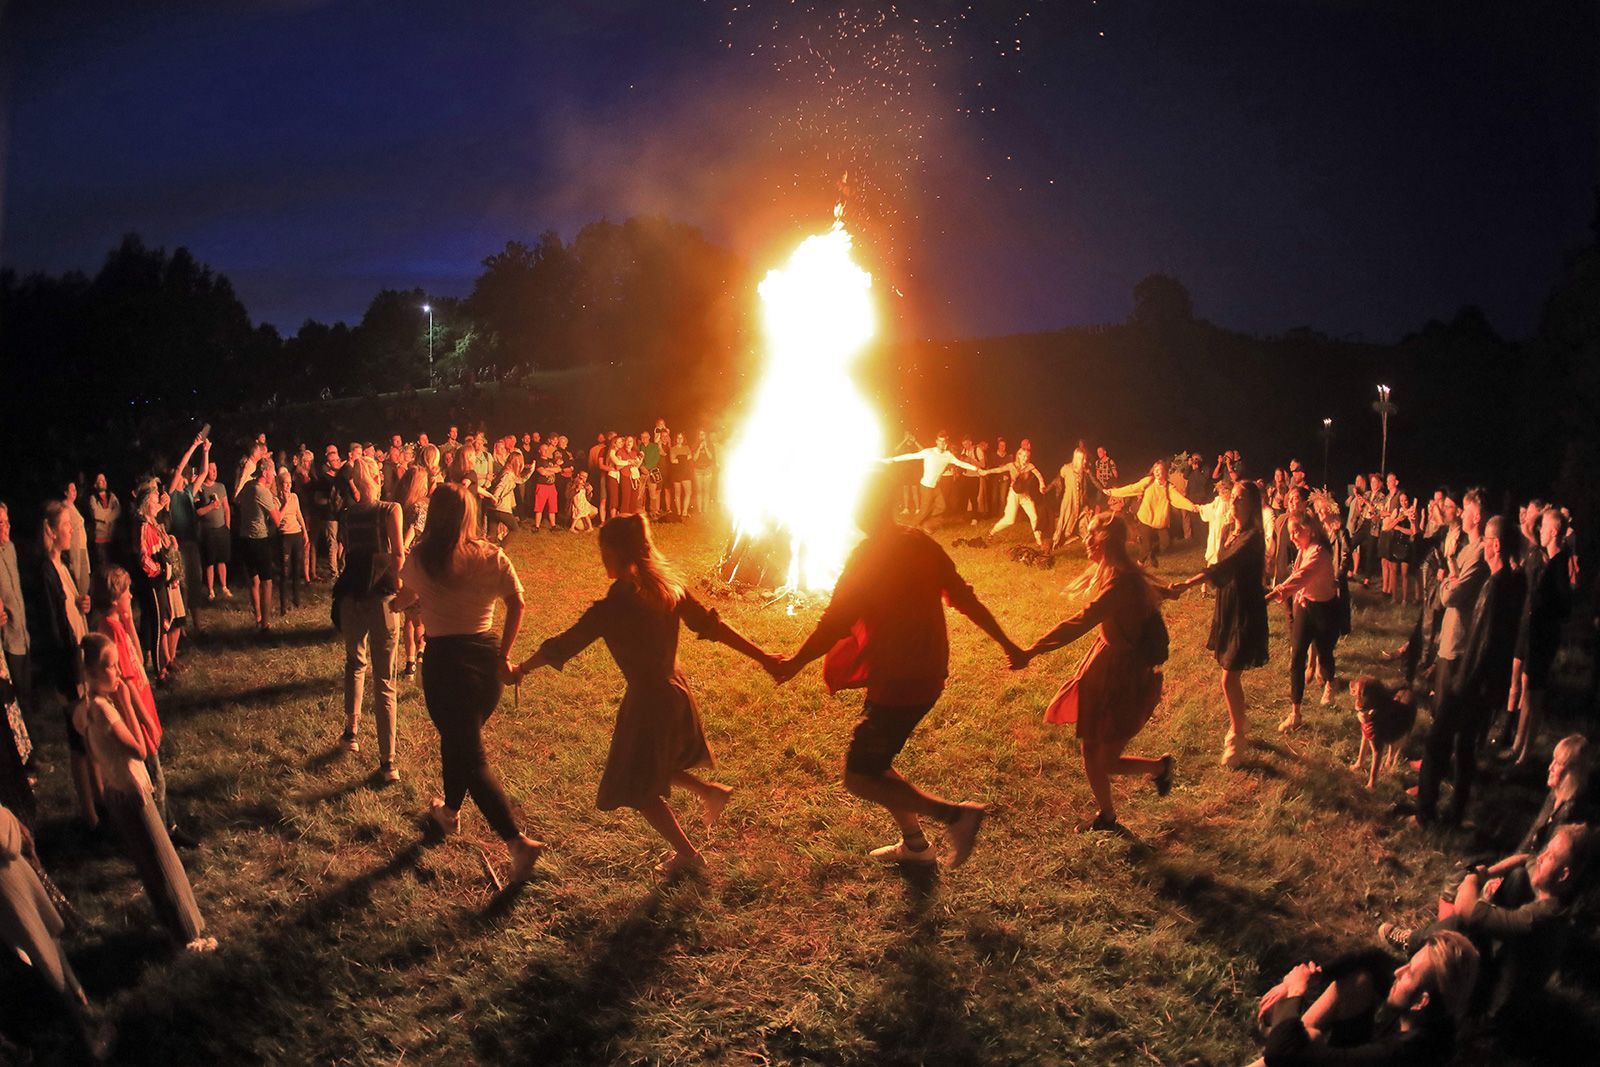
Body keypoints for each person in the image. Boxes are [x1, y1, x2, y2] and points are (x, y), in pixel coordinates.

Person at [770, 471, 1020, 867]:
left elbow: (834, 622)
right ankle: (916, 847)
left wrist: (795, 662)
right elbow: (965, 598)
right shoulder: (919, 543)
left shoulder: (869, 556)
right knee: (878, 763)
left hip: (901, 680)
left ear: (869, 507)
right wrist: (1009, 644)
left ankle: (957, 816)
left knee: (859, 775)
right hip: (925, 671)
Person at [515, 515, 776, 876]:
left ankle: (689, 856)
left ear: (616, 551)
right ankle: (709, 792)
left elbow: (563, 645)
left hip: (650, 701)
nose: (600, 555)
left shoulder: (613, 609)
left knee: (636, 787)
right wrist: (764, 657)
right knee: (653, 764)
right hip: (675, 691)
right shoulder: (669, 588)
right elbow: (714, 626)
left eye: (603, 548)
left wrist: (521, 669)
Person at [390, 483, 543, 883]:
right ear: (471, 514)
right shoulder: (492, 554)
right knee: (458, 739)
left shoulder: (422, 557)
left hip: (446, 663)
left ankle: (517, 842)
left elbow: (401, 599)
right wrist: (505, 654)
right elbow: (518, 602)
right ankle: (450, 814)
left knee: (470, 755)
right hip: (485, 659)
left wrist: (400, 599)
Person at [1014, 514, 1179, 832]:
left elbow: (1080, 621)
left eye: (1091, 534)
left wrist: (1032, 650)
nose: (1086, 539)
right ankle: (1107, 815)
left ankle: (1160, 767)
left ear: (1105, 540)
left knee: (1107, 758)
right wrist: (1168, 591)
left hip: (1123, 674)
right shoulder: (1116, 573)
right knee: (1090, 746)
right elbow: (1145, 591)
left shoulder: (1120, 581)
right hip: (1103, 664)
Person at [73, 633, 214, 952]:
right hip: (133, 793)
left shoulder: (82, 710)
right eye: (111, 666)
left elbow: (94, 756)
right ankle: (190, 934)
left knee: (148, 865)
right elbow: (138, 749)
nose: (118, 672)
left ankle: (171, 928)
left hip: (115, 792)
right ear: (93, 673)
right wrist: (127, 706)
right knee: (164, 862)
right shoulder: (106, 711)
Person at [1382, 824, 1591, 1019]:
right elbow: (1524, 859)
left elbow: (1465, 909)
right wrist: (1490, 873)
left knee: (1461, 925)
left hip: (1498, 1004)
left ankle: (1415, 949)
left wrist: (1474, 877)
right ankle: (1418, 955)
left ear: (1563, 875)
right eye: (1545, 850)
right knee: (1517, 877)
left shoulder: (1541, 917)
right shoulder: (1554, 892)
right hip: (1502, 958)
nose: (1541, 858)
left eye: (1550, 856)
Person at [1417, 512, 1522, 826]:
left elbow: (1484, 643)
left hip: (1472, 682)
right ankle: (1455, 813)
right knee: (1464, 746)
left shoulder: (1496, 587)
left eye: (1488, 541)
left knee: (1437, 741)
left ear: (1496, 545)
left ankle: (1425, 814)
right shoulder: (1516, 581)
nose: (1485, 547)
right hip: (1488, 684)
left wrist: (1462, 684)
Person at [1255, 931, 1479, 1066]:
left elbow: (1280, 1057)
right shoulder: (1430, 1011)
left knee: (1302, 1043)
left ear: (1422, 1001)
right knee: (1359, 979)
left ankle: (1284, 1033)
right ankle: (1286, 1033)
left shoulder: (1403, 1054)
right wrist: (1316, 975)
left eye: (1409, 972)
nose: (1398, 971)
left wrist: (1294, 991)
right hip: (1360, 1052)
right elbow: (1372, 958)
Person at [0, 802, 110, 1058]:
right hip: (8, 888)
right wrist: (10, 819)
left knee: (46, 944)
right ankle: (85, 1036)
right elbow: (6, 840)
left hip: (13, 881)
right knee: (43, 954)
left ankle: (80, 1005)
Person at [1174, 481, 1269, 768]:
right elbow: (1220, 563)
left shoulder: (1253, 538)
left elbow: (1225, 566)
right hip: (1228, 604)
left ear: (1252, 504)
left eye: (1241, 499)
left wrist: (1189, 583)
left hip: (1245, 610)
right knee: (1229, 675)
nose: (1235, 502)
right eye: (1234, 498)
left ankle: (1237, 735)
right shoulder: (1230, 531)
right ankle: (1240, 722)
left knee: (1228, 677)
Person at [332, 460, 404, 783]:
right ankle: (388, 762)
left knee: (354, 663)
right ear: (376, 477)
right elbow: (398, 554)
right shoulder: (391, 510)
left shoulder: (347, 515)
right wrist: (401, 590)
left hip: (351, 596)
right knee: (385, 679)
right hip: (381, 598)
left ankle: (351, 733)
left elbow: (351, 553)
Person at [37, 501, 96, 827]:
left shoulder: (63, 566)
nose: (71, 531)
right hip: (67, 663)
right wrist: (67, 671)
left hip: (79, 656)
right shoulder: (45, 572)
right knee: (79, 739)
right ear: (52, 531)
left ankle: (101, 801)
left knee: (90, 731)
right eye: (66, 526)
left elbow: (72, 609)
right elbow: (52, 626)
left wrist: (83, 603)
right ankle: (90, 815)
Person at [1503, 507, 1573, 765]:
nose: (1540, 531)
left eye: (1543, 527)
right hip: (1534, 634)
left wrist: (1542, 607)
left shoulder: (1559, 565)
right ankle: (1517, 744)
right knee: (1526, 691)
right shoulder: (1549, 562)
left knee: (1534, 695)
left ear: (1554, 531)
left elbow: (1564, 607)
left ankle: (1524, 753)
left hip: (1544, 638)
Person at [1267, 514, 1340, 733]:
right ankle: (1295, 713)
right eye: (1290, 533)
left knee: (1325, 653)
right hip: (1306, 607)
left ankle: (1329, 683)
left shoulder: (1319, 553)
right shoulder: (1304, 549)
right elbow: (1298, 576)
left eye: (1296, 532)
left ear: (1309, 530)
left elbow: (1301, 576)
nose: (1292, 537)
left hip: (1324, 610)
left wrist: (1274, 593)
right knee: (1296, 656)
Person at [1105, 461, 1200, 567]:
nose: (1157, 472)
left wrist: (1192, 507)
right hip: (1146, 518)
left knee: (1166, 544)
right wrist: (1113, 492)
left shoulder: (1169, 488)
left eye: (1159, 470)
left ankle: (1153, 554)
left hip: (1160, 521)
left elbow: (1179, 499)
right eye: (1155, 470)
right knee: (1146, 546)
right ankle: (1139, 564)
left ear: (1165, 472)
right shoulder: (1148, 482)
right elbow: (1132, 488)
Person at [135, 490, 186, 677]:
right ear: (147, 503)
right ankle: (160, 672)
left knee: (165, 619)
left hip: (161, 580)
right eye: (155, 501)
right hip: (153, 581)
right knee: (157, 625)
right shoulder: (143, 527)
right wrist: (159, 570)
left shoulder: (153, 525)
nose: (157, 503)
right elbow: (143, 557)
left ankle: (162, 665)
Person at [887, 433, 981, 530]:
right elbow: (911, 456)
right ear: (936, 441)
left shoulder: (948, 455)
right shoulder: (929, 452)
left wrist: (976, 469)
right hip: (926, 486)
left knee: (941, 506)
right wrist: (893, 459)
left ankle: (926, 522)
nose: (942, 443)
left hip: (935, 487)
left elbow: (961, 463)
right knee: (923, 511)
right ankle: (909, 529)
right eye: (940, 441)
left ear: (946, 443)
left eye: (944, 441)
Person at [234, 453, 281, 630]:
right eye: (273, 472)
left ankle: (258, 617)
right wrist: (281, 505)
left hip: (244, 537)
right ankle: (266, 624)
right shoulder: (263, 492)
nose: (274, 475)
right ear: (266, 472)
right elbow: (278, 520)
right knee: (266, 581)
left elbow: (238, 501)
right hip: (259, 539)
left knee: (253, 579)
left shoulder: (247, 486)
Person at [984, 445, 1047, 548]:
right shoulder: (1011, 465)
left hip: (1025, 496)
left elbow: (1039, 475)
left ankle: (1039, 542)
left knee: (1034, 517)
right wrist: (985, 472)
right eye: (1023, 456)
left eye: (1027, 456)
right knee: (1010, 520)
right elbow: (998, 470)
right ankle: (991, 532)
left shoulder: (1030, 466)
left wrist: (1042, 484)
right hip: (1013, 494)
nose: (1025, 459)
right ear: (1019, 455)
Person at [1048, 443, 1096, 551]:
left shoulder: (1083, 471)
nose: (1084, 461)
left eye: (1085, 459)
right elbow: (1058, 480)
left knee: (1083, 517)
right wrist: (1048, 489)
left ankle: (1089, 540)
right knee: (1065, 520)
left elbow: (1090, 484)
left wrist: (1104, 491)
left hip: (1080, 499)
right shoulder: (1066, 468)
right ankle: (1056, 542)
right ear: (1077, 458)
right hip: (1069, 500)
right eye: (1083, 459)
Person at [194, 462, 232, 599]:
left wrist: (227, 526)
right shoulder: (200, 488)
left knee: (222, 560)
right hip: (208, 531)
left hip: (221, 529)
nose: (214, 472)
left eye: (215, 469)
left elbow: (226, 508)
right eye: (211, 469)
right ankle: (210, 589)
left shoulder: (221, 487)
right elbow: (198, 511)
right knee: (210, 561)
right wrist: (211, 506)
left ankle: (224, 586)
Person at [274, 467, 309, 615]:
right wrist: (285, 503)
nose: (288, 486)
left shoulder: (294, 497)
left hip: (296, 534)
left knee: (296, 569)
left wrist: (305, 532)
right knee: (285, 571)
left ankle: (297, 600)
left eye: (289, 483)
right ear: (280, 485)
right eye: (285, 483)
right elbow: (278, 519)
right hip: (285, 536)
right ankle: (283, 604)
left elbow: (299, 514)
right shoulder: (275, 500)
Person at [87, 473, 120, 574]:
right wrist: (109, 512)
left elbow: (117, 510)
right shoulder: (93, 498)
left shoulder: (112, 496)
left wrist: (106, 516)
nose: (103, 482)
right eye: (100, 480)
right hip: (100, 538)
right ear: (95, 484)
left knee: (113, 565)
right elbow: (96, 513)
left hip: (112, 536)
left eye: (104, 480)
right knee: (102, 565)